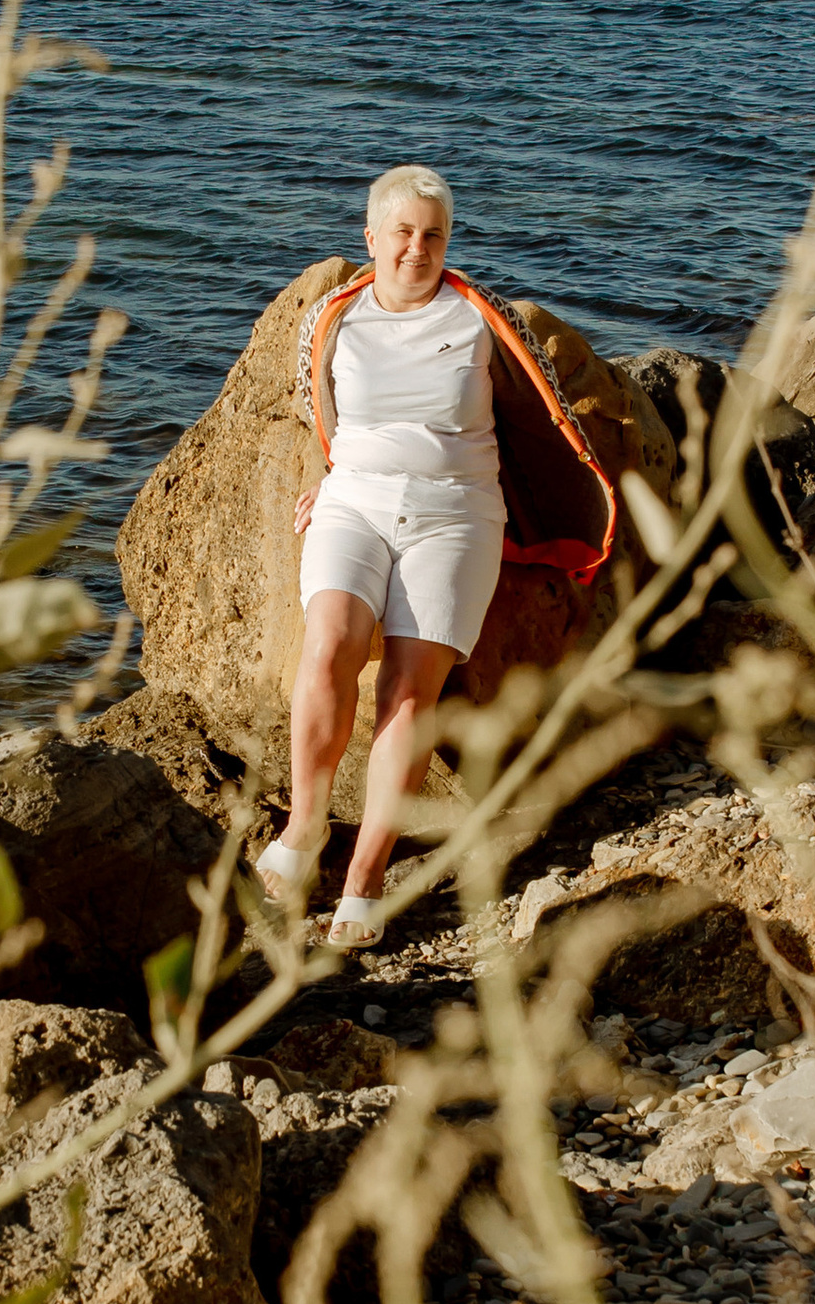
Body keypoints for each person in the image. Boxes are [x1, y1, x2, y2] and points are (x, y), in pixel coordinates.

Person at [260, 164, 620, 948]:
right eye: (402, 232)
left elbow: (541, 415)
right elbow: (314, 396)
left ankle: (365, 877)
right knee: (328, 648)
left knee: (407, 691)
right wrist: (330, 474)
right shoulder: (331, 316)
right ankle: (304, 828)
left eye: (433, 235)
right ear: (372, 238)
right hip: (354, 499)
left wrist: (568, 509)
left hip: (455, 514)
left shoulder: (482, 322)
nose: (416, 249)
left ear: (447, 242)